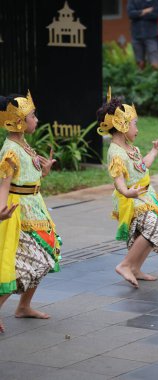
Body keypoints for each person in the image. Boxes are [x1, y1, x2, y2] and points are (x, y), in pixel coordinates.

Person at [97, 88, 158, 288]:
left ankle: (136, 268)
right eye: (135, 123)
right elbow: (118, 179)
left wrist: (154, 150)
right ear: (122, 125)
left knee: (148, 231)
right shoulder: (116, 152)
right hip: (131, 197)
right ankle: (125, 265)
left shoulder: (131, 148)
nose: (137, 128)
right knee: (153, 226)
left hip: (145, 195)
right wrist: (126, 192)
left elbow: (142, 165)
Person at [0, 91, 61, 333]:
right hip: (20, 211)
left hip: (35, 206)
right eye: (32, 115)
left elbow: (27, 177)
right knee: (27, 263)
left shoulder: (22, 144)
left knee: (46, 255)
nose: (36, 119)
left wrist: (43, 172)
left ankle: (24, 305)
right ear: (19, 121)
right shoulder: (10, 150)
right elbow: (4, 183)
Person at [127, 0, 158, 70]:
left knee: (154, 63)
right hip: (136, 34)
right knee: (140, 63)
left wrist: (138, 14)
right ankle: (141, 79)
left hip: (151, 35)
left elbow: (156, 15)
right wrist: (145, 11)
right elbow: (131, 14)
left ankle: (156, 79)